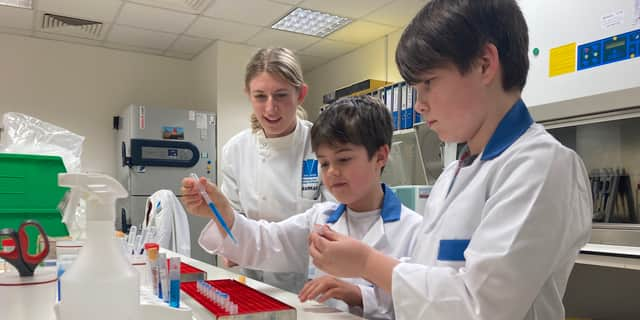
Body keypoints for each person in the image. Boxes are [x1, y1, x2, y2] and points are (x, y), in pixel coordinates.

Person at [307, 1, 593, 319]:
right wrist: (366, 287)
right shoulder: (452, 176)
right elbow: (429, 282)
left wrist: (366, 263)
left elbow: (480, 307)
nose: (419, 105)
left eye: (427, 84)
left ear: (485, 64)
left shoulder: (542, 166)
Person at [182, 95, 424, 319]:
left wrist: (360, 295)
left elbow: (424, 303)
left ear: (380, 157)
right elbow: (266, 241)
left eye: (344, 159)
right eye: (324, 162)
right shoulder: (321, 218)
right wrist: (223, 211)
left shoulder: (414, 230)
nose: (332, 172)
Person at [216, 47, 328, 293]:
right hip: (253, 283)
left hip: (311, 284)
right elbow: (233, 217)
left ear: (301, 94)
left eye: (280, 95)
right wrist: (231, 243)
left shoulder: (322, 145)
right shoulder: (236, 150)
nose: (270, 108)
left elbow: (334, 219)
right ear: (248, 95)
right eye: (260, 96)